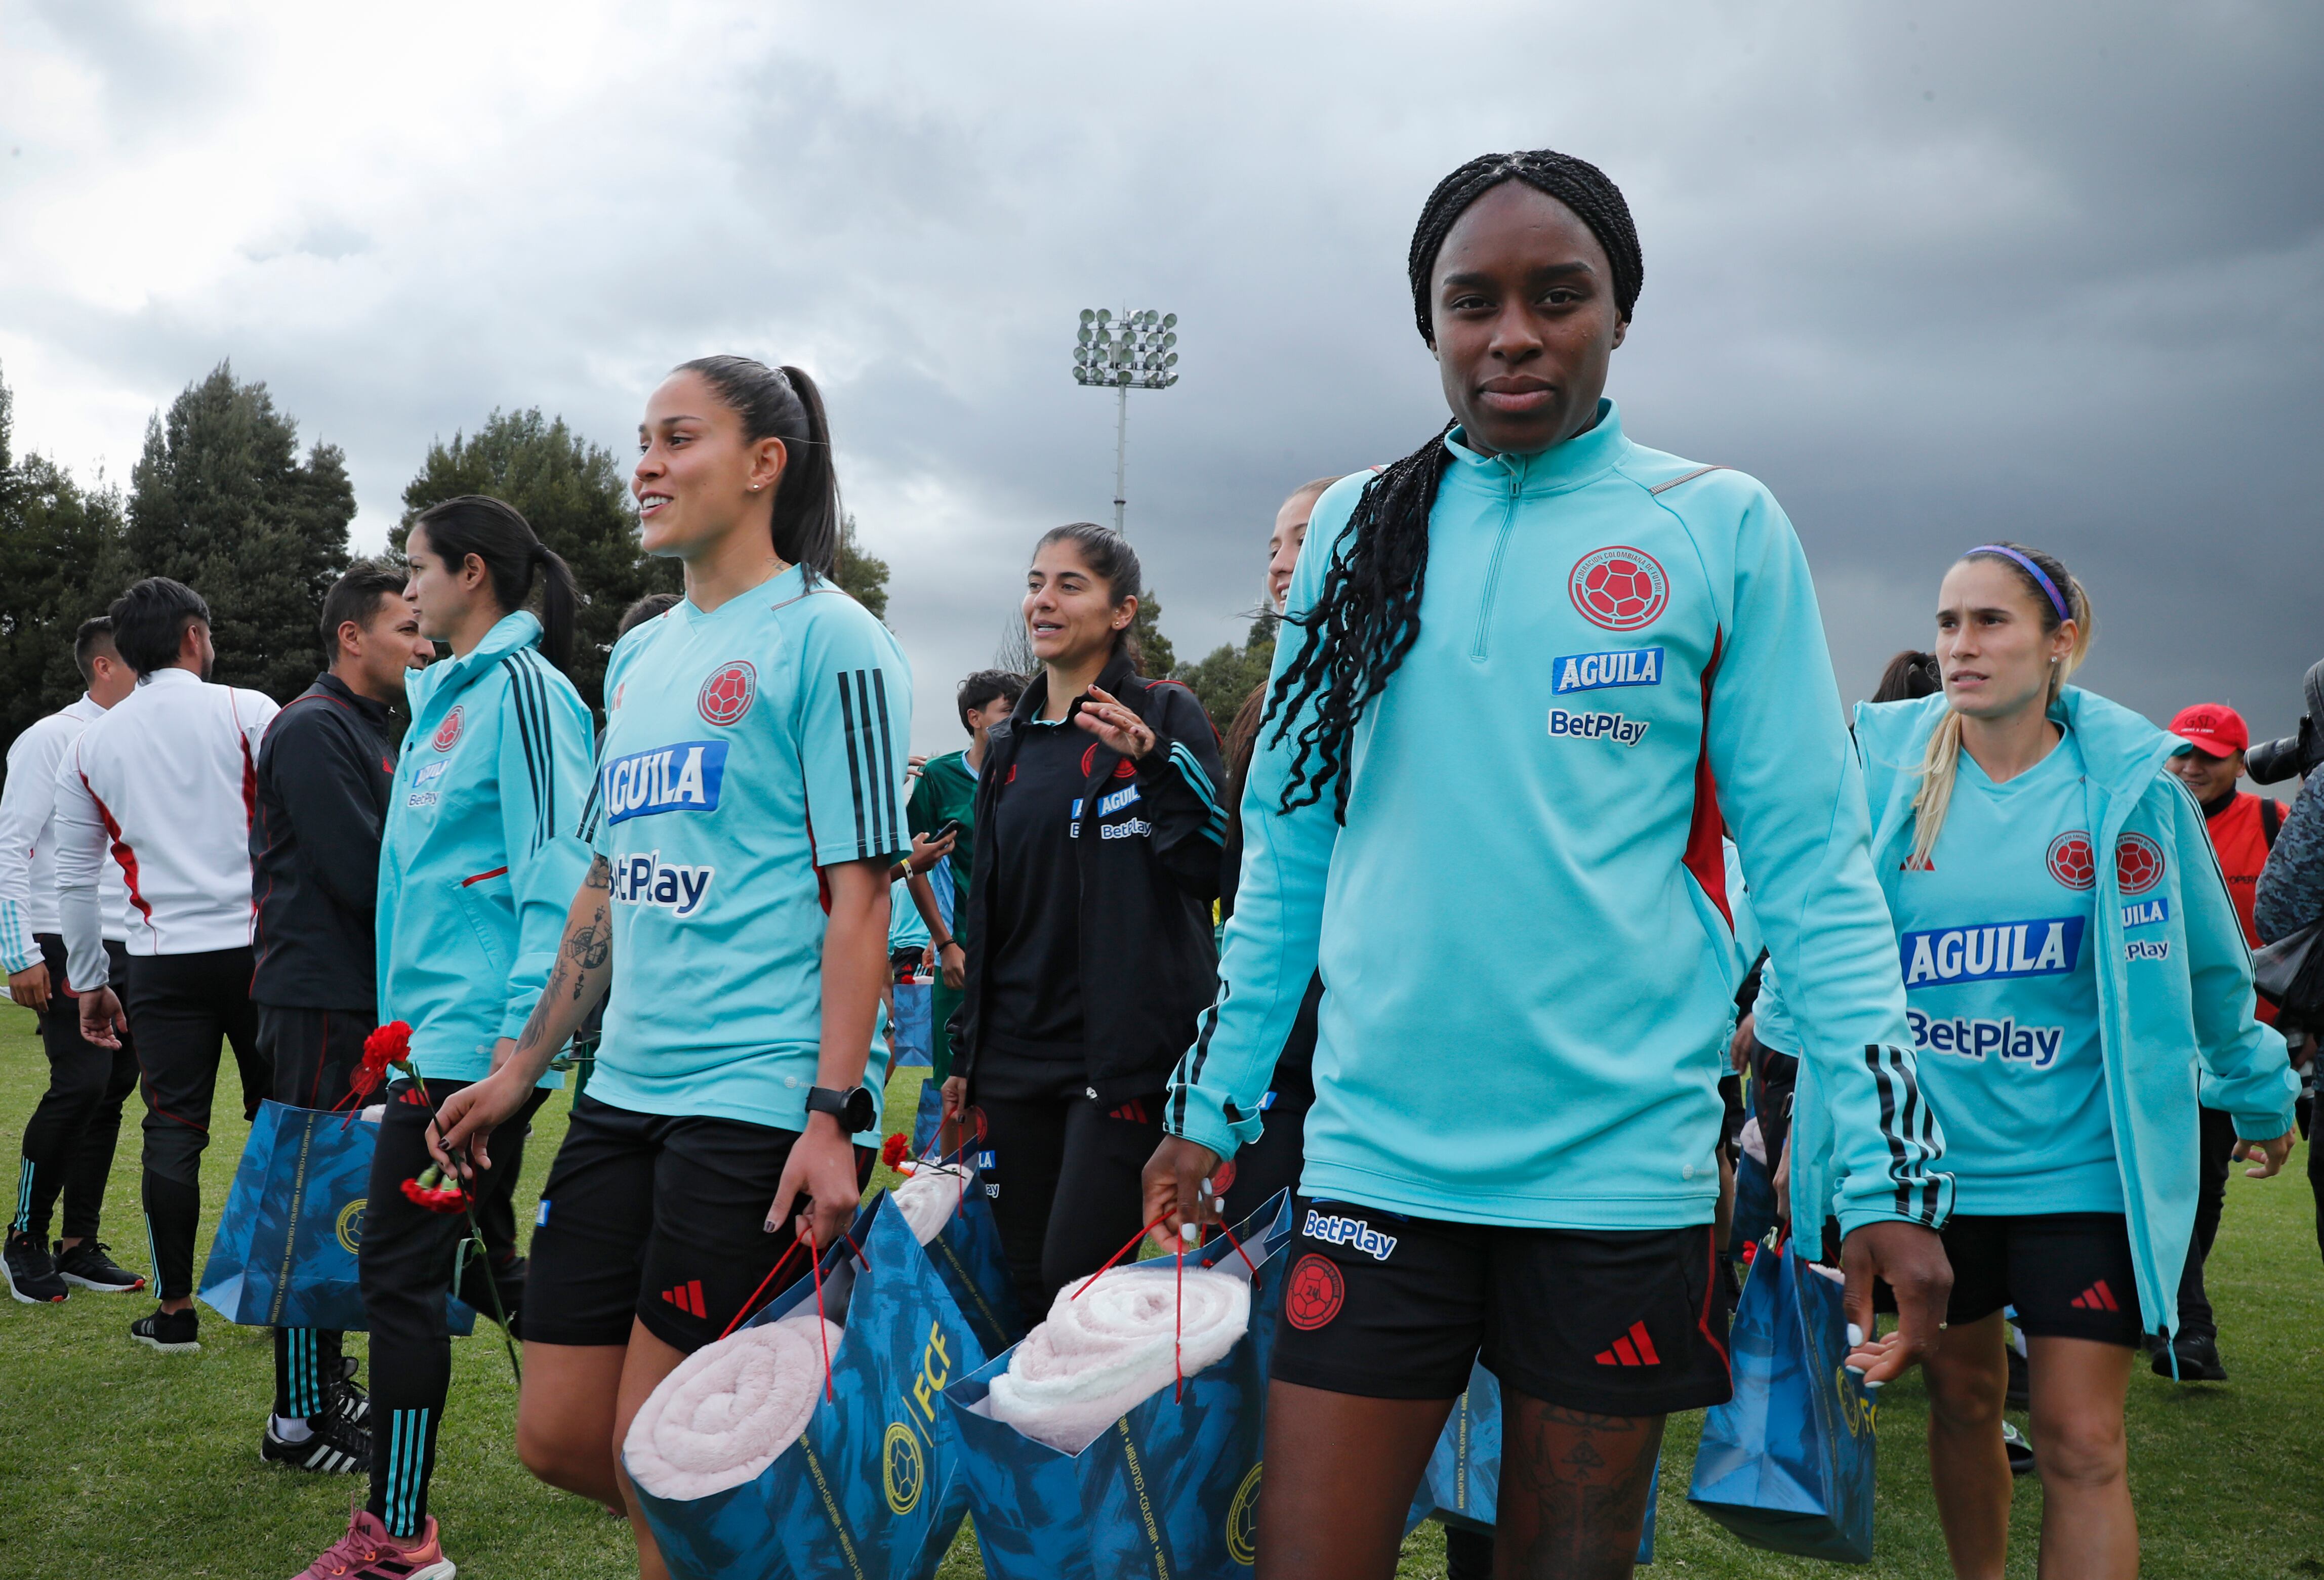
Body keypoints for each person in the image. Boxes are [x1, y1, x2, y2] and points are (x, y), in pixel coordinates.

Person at [1141, 149, 1955, 1579]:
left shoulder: (1715, 526)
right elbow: (1285, 860)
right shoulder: (1353, 530)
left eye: (1554, 296)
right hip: (1374, 1160)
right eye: (1471, 302)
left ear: (1618, 314)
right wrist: (1207, 1104)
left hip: (1613, 1178)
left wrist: (1884, 1174)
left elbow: (1814, 869)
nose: (1510, 332)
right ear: (1430, 325)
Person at [425, 356, 908, 1580]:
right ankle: (786, 1536)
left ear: (763, 465)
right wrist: (521, 1072)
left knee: (664, 1463)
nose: (642, 462)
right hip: (620, 1094)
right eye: (639, 437)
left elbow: (862, 904)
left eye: (676, 437)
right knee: (558, 1436)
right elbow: (603, 888)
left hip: (749, 1103)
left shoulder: (831, 641)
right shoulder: (639, 662)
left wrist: (831, 1117)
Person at [1843, 544, 2295, 1579]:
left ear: (2060, 645)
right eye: (1949, 622)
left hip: (2082, 1169)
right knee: (1961, 1405)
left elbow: (2210, 970)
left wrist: (2258, 1090)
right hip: (1932, 1168)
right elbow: (1816, 949)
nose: (1962, 645)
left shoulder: (2133, 793)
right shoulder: (1885, 781)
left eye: (1991, 622)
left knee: (2081, 1440)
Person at [287, 499, 592, 1579]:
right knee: (478, 1263)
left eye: (417, 568)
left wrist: (515, 1058)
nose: (406, 588)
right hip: (427, 1042)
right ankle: (612, 1433)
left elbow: (561, 876)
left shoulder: (525, 691)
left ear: (472, 572)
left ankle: (400, 1534)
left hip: (479, 1048)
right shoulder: (441, 700)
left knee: (400, 1272)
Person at [944, 522, 1228, 1316]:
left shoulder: (1164, 714)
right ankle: (1029, 1442)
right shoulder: (1007, 744)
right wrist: (967, 1047)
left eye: (1070, 585)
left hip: (1119, 1062)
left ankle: (1105, 1437)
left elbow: (1214, 865)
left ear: (1120, 612)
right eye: (1036, 582)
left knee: (1078, 1285)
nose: (1043, 599)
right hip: (1011, 1058)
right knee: (1020, 1286)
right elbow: (989, 900)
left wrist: (1156, 765)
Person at [52, 577, 279, 1356]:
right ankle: (279, 1293)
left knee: (172, 1131)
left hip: (158, 962)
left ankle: (175, 1309)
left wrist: (89, 979)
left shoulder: (92, 743)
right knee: (282, 1118)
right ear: (194, 635)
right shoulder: (250, 710)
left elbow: (75, 879)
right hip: (260, 952)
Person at [247, 563, 432, 1472]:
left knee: (346, 1193)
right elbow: (366, 875)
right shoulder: (315, 727)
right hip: (320, 994)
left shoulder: (376, 728)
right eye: (406, 627)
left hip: (356, 993)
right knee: (315, 1197)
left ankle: (321, 1381)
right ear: (352, 636)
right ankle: (298, 1419)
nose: (424, 643)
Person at [1, 617, 144, 1303]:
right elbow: (10, 846)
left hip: (129, 941)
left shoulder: (140, 743)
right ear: (105, 667)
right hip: (58, 937)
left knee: (114, 1086)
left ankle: (77, 1242)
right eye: (140, 664)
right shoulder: (51, 736)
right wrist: (18, 952)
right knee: (80, 1083)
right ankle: (24, 1237)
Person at [1216, 477, 1342, 1223]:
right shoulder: (1263, 709)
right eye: (1273, 545)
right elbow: (1239, 879)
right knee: (1245, 1284)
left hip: (1368, 1053)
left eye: (1302, 537)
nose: (1280, 561)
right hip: (1274, 1048)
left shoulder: (1405, 693)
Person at [2157, 702, 2286, 1380]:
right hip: (2151, 1040)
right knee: (2168, 1174)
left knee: (2205, 1182)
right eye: (2180, 753)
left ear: (2240, 761)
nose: (2190, 767)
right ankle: (2184, 1322)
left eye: (2208, 756)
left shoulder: (2272, 824)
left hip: (2236, 1043)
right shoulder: (2137, 822)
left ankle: (2174, 1310)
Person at [908, 669, 1025, 1083]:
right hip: (961, 952)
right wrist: (943, 942)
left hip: (1027, 951)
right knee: (954, 1079)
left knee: (1018, 1077)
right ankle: (950, 1153)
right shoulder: (940, 777)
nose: (1018, 721)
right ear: (975, 718)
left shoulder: (1034, 773)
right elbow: (913, 865)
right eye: (1007, 712)